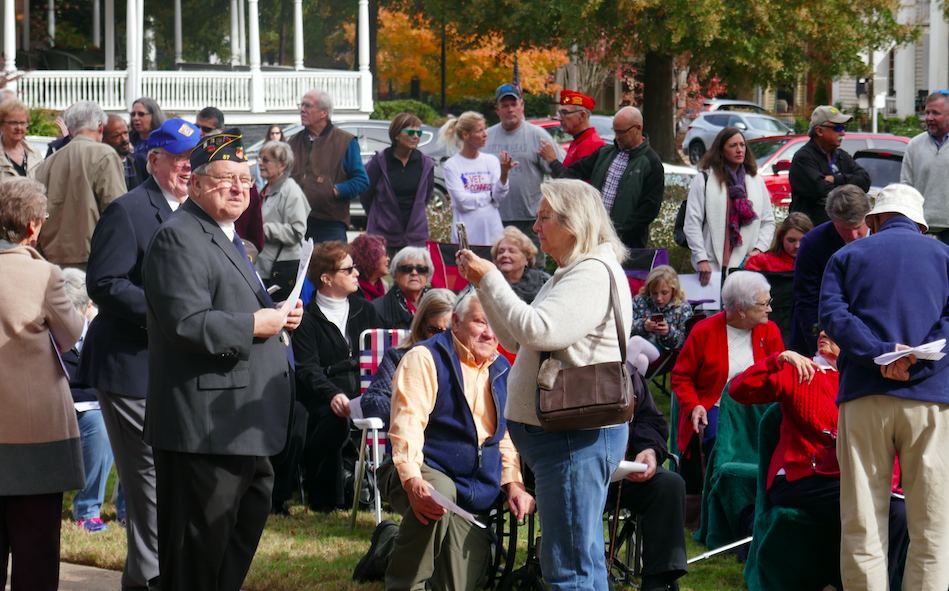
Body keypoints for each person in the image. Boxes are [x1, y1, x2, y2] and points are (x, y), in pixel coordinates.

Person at [141, 130, 303, 591]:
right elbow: (186, 322)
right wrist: (254, 324)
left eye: (245, 180)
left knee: (231, 545)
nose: (238, 188)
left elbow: (230, 304)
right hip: (205, 428)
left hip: (241, 424)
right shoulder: (179, 237)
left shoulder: (225, 235)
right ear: (195, 184)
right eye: (224, 179)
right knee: (194, 561)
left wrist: (278, 314)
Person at [456, 178, 633, 591]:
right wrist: (483, 284)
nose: (535, 227)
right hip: (569, 438)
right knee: (580, 558)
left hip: (574, 438)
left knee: (569, 567)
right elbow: (516, 337)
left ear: (573, 223)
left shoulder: (590, 273)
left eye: (544, 217)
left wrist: (492, 277)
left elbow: (539, 331)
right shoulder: (574, 270)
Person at [78, 117, 202, 591]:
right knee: (148, 477)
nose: (188, 168)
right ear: (153, 160)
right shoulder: (128, 210)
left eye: (193, 160)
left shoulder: (196, 213)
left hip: (176, 367)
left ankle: (149, 577)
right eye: (179, 159)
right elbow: (104, 283)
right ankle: (150, 580)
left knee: (171, 477)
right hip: (130, 365)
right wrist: (165, 315)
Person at [353, 291, 535, 589]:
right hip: (419, 472)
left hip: (472, 493)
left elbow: (503, 437)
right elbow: (408, 424)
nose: (489, 332)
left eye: (496, 324)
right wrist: (412, 479)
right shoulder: (425, 357)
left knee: (454, 585)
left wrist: (514, 484)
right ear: (456, 322)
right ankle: (405, 585)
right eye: (480, 322)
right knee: (438, 492)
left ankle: (387, 545)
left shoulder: (502, 369)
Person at [819, 184, 949, 591]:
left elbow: (833, 316)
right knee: (933, 523)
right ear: (920, 225)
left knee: (863, 519)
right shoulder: (944, 256)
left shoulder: (845, 256)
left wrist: (880, 355)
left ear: (873, 220)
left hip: (864, 397)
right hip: (930, 400)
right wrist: (915, 362)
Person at [729, 331, 908, 589]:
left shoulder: (867, 381)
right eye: (822, 328)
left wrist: (888, 486)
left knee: (898, 512)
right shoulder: (799, 369)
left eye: (835, 331)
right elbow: (738, 390)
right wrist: (778, 359)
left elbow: (889, 440)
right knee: (869, 504)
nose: (823, 332)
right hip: (799, 478)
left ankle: (850, 585)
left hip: (849, 478)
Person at [0, 177, 85, 591]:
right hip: (33, 430)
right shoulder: (43, 274)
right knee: (35, 548)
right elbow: (71, 334)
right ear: (33, 226)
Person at [292, 241, 380, 512]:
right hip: (323, 400)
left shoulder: (366, 310)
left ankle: (389, 490)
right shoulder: (306, 320)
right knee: (335, 417)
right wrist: (333, 394)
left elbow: (383, 356)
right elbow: (307, 369)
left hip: (367, 392)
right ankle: (327, 499)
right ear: (326, 278)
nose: (357, 273)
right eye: (348, 269)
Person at [671, 272, 783, 465]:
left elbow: (780, 377)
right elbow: (682, 377)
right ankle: (721, 482)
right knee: (721, 443)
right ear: (741, 308)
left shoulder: (770, 330)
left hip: (759, 407)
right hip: (716, 406)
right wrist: (694, 405)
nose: (769, 309)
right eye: (764, 304)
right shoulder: (703, 331)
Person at [606, 381, 688, 591]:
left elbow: (649, 420)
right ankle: (593, 578)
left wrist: (649, 450)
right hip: (578, 470)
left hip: (624, 470)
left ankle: (658, 580)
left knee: (669, 485)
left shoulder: (630, 373)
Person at [546, 106, 664, 249]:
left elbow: (648, 210)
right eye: (615, 131)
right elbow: (574, 172)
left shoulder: (651, 163)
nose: (616, 137)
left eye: (621, 132)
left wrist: (617, 234)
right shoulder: (605, 153)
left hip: (626, 245)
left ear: (637, 129)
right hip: (593, 237)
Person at [34, 100, 126, 270]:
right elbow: (117, 211)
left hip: (50, 259)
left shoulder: (47, 164)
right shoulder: (105, 154)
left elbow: (35, 214)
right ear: (100, 126)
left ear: (69, 131)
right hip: (92, 259)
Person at [683, 126, 776, 286]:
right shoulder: (705, 179)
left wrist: (759, 250)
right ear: (720, 150)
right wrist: (701, 259)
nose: (739, 150)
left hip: (746, 265)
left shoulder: (755, 181)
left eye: (742, 145)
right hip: (712, 267)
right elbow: (692, 222)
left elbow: (768, 221)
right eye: (733, 146)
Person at [61, 268, 115, 534]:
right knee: (99, 424)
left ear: (88, 307)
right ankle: (87, 510)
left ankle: (131, 510)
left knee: (140, 423)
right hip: (64, 409)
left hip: (100, 404)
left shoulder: (101, 333)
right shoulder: (47, 335)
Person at [356, 289, 456, 428]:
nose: (442, 338)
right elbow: (371, 403)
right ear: (421, 326)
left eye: (450, 332)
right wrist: (418, 409)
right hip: (413, 433)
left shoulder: (469, 359)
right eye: (435, 330)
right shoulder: (399, 356)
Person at [789, 185, 870, 356]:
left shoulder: (882, 237)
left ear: (868, 216)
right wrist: (820, 347)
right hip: (822, 333)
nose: (853, 235)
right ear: (833, 220)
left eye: (858, 227)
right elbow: (807, 300)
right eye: (845, 229)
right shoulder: (813, 243)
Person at [484, 83, 562, 254]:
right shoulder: (486, 138)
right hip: (495, 218)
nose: (510, 109)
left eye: (514, 104)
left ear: (521, 106)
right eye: (505, 106)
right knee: (496, 266)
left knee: (533, 267)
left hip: (531, 220)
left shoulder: (538, 136)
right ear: (497, 110)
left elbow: (562, 175)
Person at [288, 88, 369, 242]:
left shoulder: (345, 141)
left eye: (308, 106)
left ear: (324, 113)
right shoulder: (293, 141)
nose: (302, 110)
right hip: (295, 223)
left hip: (330, 225)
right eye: (301, 105)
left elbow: (361, 181)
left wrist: (336, 191)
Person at [361, 113, 436, 249]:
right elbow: (366, 194)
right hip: (382, 235)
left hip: (415, 236)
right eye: (411, 132)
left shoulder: (425, 163)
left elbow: (426, 196)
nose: (416, 137)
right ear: (396, 135)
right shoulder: (379, 162)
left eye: (419, 133)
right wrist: (379, 218)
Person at [439, 111, 514, 245]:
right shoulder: (452, 165)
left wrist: (504, 174)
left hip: (493, 233)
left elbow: (498, 196)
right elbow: (462, 201)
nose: (485, 134)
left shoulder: (490, 160)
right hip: (467, 236)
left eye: (484, 129)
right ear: (465, 135)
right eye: (480, 131)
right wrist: (488, 196)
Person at [788, 105, 871, 226]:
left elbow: (865, 181)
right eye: (837, 128)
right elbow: (821, 191)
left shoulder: (841, 156)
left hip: (840, 229)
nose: (843, 133)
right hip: (812, 230)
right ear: (819, 131)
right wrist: (851, 189)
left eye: (844, 127)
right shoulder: (803, 158)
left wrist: (835, 179)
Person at [254, 140, 310, 301]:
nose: (260, 163)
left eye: (266, 160)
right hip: (264, 268)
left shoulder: (291, 190)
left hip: (282, 270)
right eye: (259, 158)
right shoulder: (264, 189)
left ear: (282, 166)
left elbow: (297, 231)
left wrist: (263, 229)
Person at [900, 91, 949, 244]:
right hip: (921, 229)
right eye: (927, 112)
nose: (929, 118)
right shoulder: (915, 145)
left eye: (935, 113)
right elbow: (906, 188)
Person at [628, 265, 693, 376]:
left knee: (636, 341)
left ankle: (617, 381)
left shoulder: (682, 307)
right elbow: (625, 326)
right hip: (637, 349)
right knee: (641, 360)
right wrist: (643, 326)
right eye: (654, 293)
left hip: (664, 353)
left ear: (673, 290)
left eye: (664, 293)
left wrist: (668, 332)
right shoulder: (640, 301)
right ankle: (633, 387)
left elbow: (686, 341)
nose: (659, 298)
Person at [373, 246, 432, 329]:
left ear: (427, 275)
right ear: (394, 275)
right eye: (407, 269)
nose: (414, 273)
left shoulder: (439, 303)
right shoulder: (378, 309)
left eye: (421, 269)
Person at [541, 90, 605, 167]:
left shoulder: (590, 144)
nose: (559, 118)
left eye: (565, 113)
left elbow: (574, 175)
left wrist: (552, 160)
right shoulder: (580, 141)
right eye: (560, 113)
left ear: (582, 116)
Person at [490, 225, 550, 304]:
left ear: (526, 259)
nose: (505, 255)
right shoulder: (489, 284)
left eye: (511, 251)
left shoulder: (545, 282)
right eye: (501, 252)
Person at [745, 212, 813, 272]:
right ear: (781, 238)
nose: (797, 246)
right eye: (791, 241)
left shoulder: (816, 263)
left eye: (803, 241)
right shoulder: (760, 261)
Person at [103, 114, 149, 191]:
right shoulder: (102, 165)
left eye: (125, 133)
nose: (124, 139)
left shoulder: (138, 161)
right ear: (103, 139)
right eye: (117, 136)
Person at [0, 98, 43, 179]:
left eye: (22, 123)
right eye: (13, 123)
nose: (19, 128)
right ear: (1, 125)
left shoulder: (34, 153)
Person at [351, 233, 390, 301]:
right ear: (371, 258)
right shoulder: (352, 288)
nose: (388, 259)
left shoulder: (385, 286)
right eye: (385, 255)